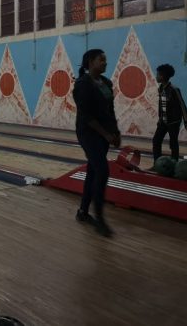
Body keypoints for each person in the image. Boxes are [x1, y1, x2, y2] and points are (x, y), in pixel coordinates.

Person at [73, 49, 121, 237]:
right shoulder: (82, 85)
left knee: (93, 170)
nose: (105, 63)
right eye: (101, 60)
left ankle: (83, 212)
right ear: (91, 62)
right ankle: (99, 218)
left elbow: (111, 111)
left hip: (104, 134)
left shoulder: (106, 83)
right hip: (88, 133)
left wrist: (115, 132)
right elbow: (86, 115)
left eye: (105, 60)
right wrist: (105, 134)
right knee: (102, 170)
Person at [152, 64, 187, 163]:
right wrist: (160, 118)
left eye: (157, 75)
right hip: (163, 121)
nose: (156, 76)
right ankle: (157, 163)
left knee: (173, 143)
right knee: (156, 140)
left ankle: (174, 163)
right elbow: (162, 106)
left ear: (162, 76)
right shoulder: (161, 88)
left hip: (173, 121)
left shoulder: (174, 89)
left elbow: (182, 105)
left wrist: (186, 121)